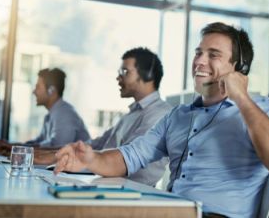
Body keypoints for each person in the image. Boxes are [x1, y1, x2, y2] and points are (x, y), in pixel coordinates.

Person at [54, 22, 269, 217]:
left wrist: (241, 98)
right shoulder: (178, 115)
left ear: (239, 68)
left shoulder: (262, 110)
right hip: (171, 211)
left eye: (213, 55)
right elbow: (130, 157)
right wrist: (90, 159)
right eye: (198, 53)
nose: (199, 62)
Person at [35, 48, 172, 186]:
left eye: (125, 72)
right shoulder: (131, 114)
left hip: (129, 191)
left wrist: (58, 157)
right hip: (107, 183)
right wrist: (52, 153)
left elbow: (125, 161)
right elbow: (98, 144)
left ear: (148, 75)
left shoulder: (160, 114)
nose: (118, 77)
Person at [0, 68, 90, 153]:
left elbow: (58, 149)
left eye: (38, 87)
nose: (34, 92)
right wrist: (12, 146)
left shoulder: (65, 114)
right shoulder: (51, 114)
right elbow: (39, 142)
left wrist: (14, 147)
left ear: (51, 90)